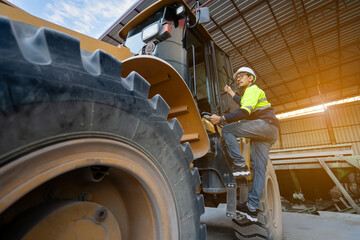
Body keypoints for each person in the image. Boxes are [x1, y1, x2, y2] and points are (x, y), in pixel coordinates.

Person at [209, 67, 279, 222]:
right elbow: (242, 102)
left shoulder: (253, 90)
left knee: (227, 130)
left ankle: (239, 164)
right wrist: (230, 92)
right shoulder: (249, 94)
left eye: (242, 76)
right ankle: (252, 208)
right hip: (270, 131)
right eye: (237, 77)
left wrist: (221, 118)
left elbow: (244, 112)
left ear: (251, 78)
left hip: (264, 125)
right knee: (259, 170)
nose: (238, 79)